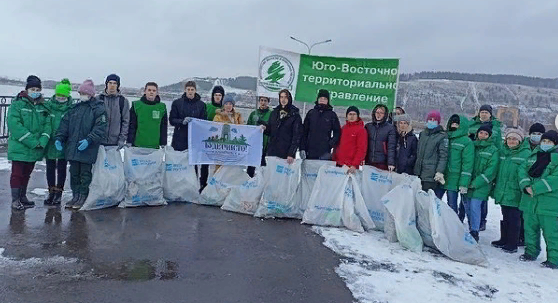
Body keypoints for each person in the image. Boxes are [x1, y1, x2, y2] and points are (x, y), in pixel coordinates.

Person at [55, 80, 107, 210]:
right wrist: (59, 138)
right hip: (73, 147)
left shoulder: (98, 108)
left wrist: (89, 140)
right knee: (74, 173)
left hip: (87, 148)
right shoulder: (75, 108)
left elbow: (100, 127)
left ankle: (83, 196)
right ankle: (75, 195)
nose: (82, 95)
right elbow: (65, 124)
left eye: (84, 93)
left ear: (90, 94)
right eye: (80, 93)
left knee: (85, 174)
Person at [7, 75, 53, 210]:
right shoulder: (17, 104)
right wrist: (32, 141)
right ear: (27, 90)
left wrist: (42, 140)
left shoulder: (43, 106)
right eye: (32, 88)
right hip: (20, 146)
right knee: (17, 173)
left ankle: (22, 196)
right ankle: (15, 200)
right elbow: (14, 125)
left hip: (35, 147)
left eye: (37, 89)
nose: (35, 91)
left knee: (27, 173)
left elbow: (47, 125)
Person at [518, 130, 558, 269]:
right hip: (529, 201)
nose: (546, 144)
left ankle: (554, 259)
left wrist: (534, 188)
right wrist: (525, 185)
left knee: (551, 233)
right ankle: (530, 252)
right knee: (530, 229)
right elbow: (522, 170)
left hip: (549, 203)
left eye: (549, 142)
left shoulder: (556, 158)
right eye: (544, 141)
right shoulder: (533, 155)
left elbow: (555, 179)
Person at [491, 128, 531, 253]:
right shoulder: (503, 152)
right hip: (503, 190)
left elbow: (526, 173)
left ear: (519, 141)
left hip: (516, 192)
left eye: (514, 139)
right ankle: (504, 239)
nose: (511, 141)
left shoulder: (525, 154)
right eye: (509, 138)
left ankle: (512, 243)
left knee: (514, 218)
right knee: (505, 215)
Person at [169, 81, 208, 190]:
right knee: (179, 163)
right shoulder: (177, 103)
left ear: (195, 91)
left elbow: (204, 121)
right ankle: (176, 187)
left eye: (192, 89)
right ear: (185, 90)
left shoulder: (201, 105)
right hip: (179, 138)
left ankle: (192, 187)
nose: (190, 92)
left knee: (193, 164)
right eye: (188, 89)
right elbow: (172, 120)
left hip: (194, 140)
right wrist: (182, 121)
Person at [464, 124, 500, 242]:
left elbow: (491, 170)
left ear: (489, 136)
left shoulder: (493, 150)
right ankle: (471, 227)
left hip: (482, 185)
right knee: (467, 206)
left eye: (486, 134)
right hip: (468, 182)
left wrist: (476, 183)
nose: (483, 135)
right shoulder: (471, 146)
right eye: (481, 133)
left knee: (475, 207)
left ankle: (475, 231)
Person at [44, 79, 73, 205]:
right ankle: (51, 192)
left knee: (61, 168)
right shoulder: (49, 107)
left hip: (64, 142)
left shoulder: (71, 109)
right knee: (50, 167)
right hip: (50, 141)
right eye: (59, 95)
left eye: (63, 95)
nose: (61, 97)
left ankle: (59, 193)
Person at [442, 114, 474, 214]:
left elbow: (467, 163)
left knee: (452, 205)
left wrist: (464, 183)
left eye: (457, 124)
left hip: (455, 178)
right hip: (442, 176)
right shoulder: (445, 137)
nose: (454, 125)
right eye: (452, 123)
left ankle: (454, 225)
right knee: (438, 202)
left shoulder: (466, 142)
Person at [263, 89, 302, 164]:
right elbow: (271, 130)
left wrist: (291, 153)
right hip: (272, 151)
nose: (283, 100)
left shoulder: (295, 115)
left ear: (289, 99)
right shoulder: (274, 112)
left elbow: (296, 136)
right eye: (281, 97)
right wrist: (265, 128)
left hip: (286, 153)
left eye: (285, 97)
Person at [300, 89, 341, 160]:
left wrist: (330, 144)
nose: (322, 100)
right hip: (309, 151)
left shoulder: (332, 115)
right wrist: (302, 148)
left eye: (325, 98)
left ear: (328, 101)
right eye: (321, 98)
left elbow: (337, 132)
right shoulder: (311, 113)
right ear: (317, 99)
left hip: (324, 152)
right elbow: (304, 132)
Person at [414, 110, 448, 196]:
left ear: (438, 122)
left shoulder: (442, 136)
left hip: (430, 175)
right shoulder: (422, 134)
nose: (431, 121)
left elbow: (443, 156)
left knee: (427, 200)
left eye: (434, 120)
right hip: (418, 172)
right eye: (430, 119)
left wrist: (439, 171)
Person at [127, 82, 168, 149]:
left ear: (157, 93)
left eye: (154, 90)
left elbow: (163, 127)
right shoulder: (136, 105)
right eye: (149, 90)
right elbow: (132, 125)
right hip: (138, 145)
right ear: (145, 91)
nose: (151, 92)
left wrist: (163, 143)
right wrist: (129, 141)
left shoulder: (162, 107)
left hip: (154, 145)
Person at [332, 106, 367, 174]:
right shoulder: (343, 128)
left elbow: (361, 149)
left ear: (357, 116)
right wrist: (334, 159)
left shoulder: (361, 130)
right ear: (347, 116)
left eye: (354, 114)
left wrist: (354, 164)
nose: (352, 116)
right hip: (339, 164)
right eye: (350, 114)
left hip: (351, 166)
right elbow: (338, 145)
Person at [98, 74, 130, 149]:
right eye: (110, 83)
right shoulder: (99, 99)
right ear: (106, 84)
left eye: (115, 83)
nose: (112, 85)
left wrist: (122, 139)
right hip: (99, 141)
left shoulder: (123, 101)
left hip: (115, 142)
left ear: (118, 85)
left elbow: (125, 121)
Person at [365, 104, 396, 171]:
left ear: (385, 115)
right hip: (369, 161)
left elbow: (391, 147)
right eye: (377, 112)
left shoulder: (390, 128)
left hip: (382, 162)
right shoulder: (368, 126)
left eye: (381, 113)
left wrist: (390, 163)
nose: (379, 115)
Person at [246, 96, 272, 177]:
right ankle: (249, 182)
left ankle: (262, 185)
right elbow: (248, 128)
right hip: (254, 145)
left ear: (268, 102)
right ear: (259, 101)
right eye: (261, 100)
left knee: (263, 168)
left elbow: (272, 128)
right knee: (250, 168)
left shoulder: (271, 114)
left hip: (265, 145)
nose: (263, 102)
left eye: (265, 100)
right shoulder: (253, 114)